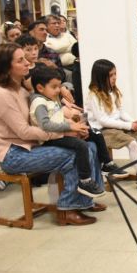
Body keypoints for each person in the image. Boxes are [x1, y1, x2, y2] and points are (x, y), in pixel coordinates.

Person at [0, 43, 105, 225]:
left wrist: (70, 123)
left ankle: (84, 199)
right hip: (13, 154)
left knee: (91, 146)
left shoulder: (22, 89)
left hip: (32, 145)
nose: (27, 63)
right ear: (6, 67)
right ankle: (68, 208)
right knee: (74, 154)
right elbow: (24, 132)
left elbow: (47, 112)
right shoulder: (0, 94)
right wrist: (65, 131)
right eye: (20, 60)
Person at [27, 65, 105, 198]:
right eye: (54, 87)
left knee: (94, 135)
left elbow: (59, 118)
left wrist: (77, 126)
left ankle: (106, 164)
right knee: (81, 146)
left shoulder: (49, 99)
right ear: (40, 88)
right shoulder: (39, 102)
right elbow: (45, 124)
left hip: (59, 135)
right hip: (51, 140)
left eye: (59, 86)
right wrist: (70, 127)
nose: (59, 90)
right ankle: (84, 181)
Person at [86, 59, 137, 193]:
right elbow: (103, 121)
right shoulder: (93, 95)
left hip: (118, 126)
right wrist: (128, 125)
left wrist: (134, 123)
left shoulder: (113, 91)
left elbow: (121, 112)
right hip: (103, 131)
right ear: (100, 77)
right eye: (111, 75)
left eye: (115, 74)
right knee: (132, 143)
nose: (114, 78)